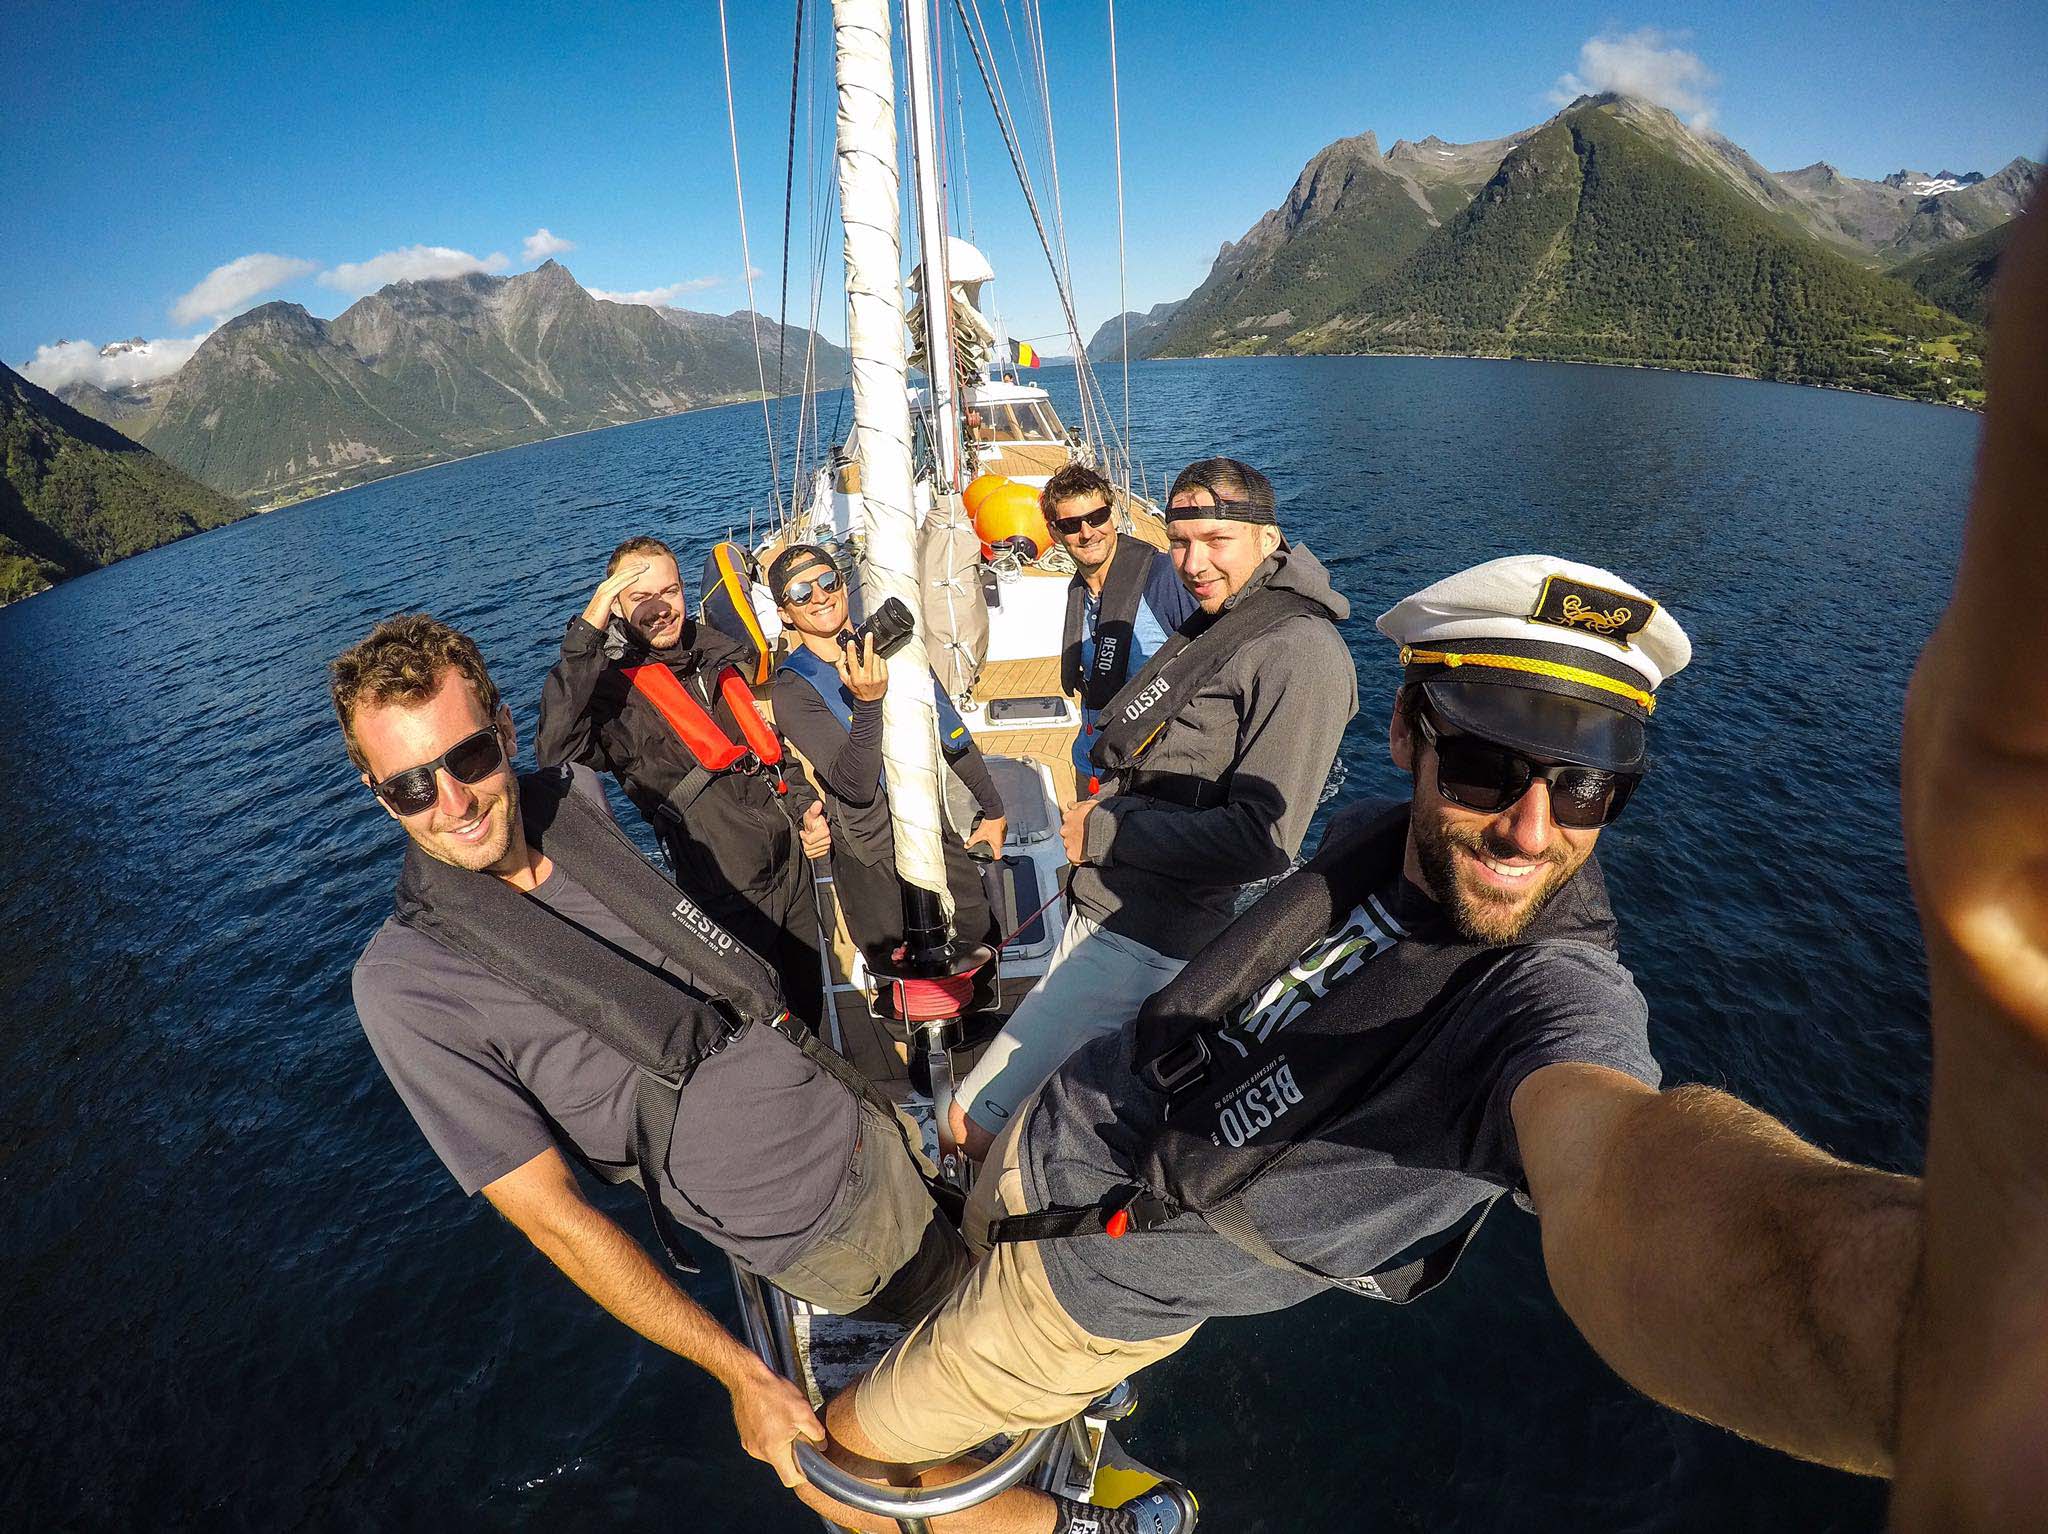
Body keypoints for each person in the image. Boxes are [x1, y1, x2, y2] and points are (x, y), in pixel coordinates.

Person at [787, 553, 1933, 1534]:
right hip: (1056, 1143)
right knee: (938, 1286)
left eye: (1586, 785)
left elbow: (1624, 1166)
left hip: (1086, 1288)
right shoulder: (1378, 844)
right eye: (1487, 763)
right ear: (1404, 735)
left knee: (834, 1464)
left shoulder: (1547, 998)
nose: (1529, 829)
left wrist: (1947, 1357)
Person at [336, 614, 969, 1491]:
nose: (453, 802)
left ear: (504, 733)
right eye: (409, 788)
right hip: (820, 1225)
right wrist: (741, 1374)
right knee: (945, 1384)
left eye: (470, 759)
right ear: (379, 796)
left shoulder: (574, 805)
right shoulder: (406, 985)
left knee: (974, 1290)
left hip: (858, 1113)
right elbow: (555, 1220)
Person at [953, 457, 1355, 1160]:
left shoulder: (1300, 652)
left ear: (1268, 537)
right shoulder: (1222, 619)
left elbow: (1264, 842)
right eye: (1179, 541)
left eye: (1216, 541)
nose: (1194, 564)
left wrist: (1103, 832)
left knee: (970, 1128)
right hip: (1111, 906)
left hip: (1146, 932)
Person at [536, 536, 832, 1028]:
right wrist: (587, 631)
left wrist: (804, 807)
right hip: (726, 892)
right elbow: (554, 751)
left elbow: (767, 747)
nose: (659, 608)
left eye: (669, 592)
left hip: (792, 868)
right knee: (765, 1023)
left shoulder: (712, 655)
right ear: (614, 607)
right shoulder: (613, 696)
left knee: (810, 1002)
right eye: (639, 598)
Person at [766, 543, 1007, 1004]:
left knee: (978, 927)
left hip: (924, 818)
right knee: (897, 965)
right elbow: (853, 783)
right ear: (785, 612)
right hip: (867, 845)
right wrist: (869, 702)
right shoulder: (792, 689)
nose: (819, 595)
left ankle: (978, 1022)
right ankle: (922, 1057)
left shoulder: (893, 650)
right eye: (801, 591)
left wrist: (992, 809)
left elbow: (952, 734)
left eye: (828, 580)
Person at [1040, 463, 1196, 799]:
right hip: (1094, 762)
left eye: (1097, 517)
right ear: (1055, 533)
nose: (1087, 532)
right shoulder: (1078, 591)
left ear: (1112, 515)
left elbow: (1213, 661)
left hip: (1154, 772)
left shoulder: (1162, 579)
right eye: (1071, 524)